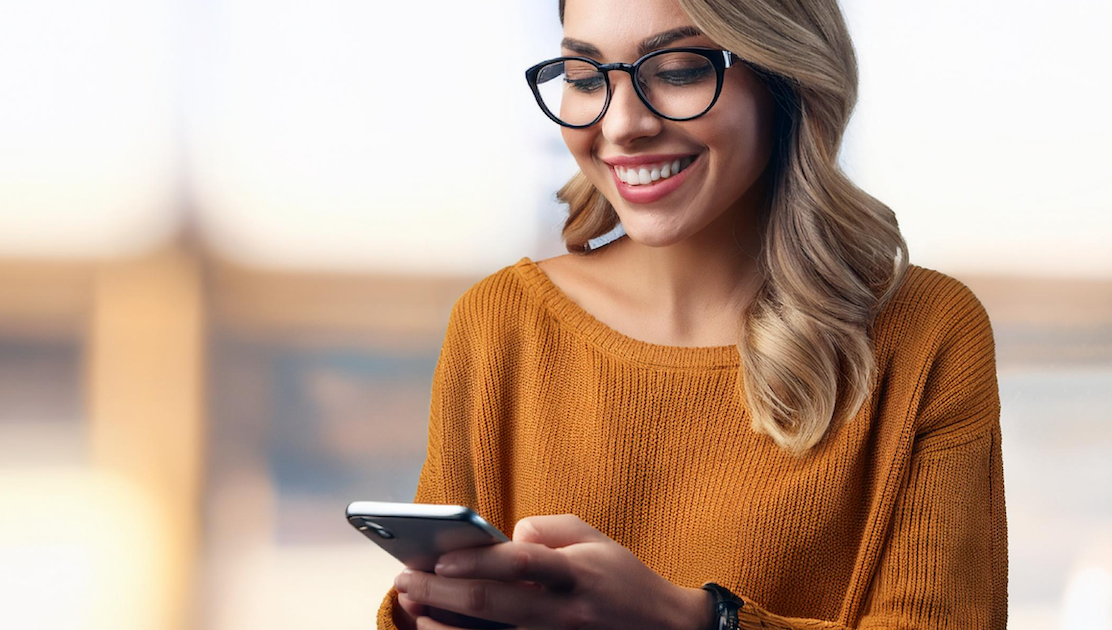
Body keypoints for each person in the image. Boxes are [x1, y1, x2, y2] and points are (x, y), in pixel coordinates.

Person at [378, 0, 1007, 628]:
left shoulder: (929, 334)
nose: (622, 124)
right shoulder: (498, 323)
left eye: (677, 71)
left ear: (784, 75)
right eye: (584, 77)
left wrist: (689, 621)